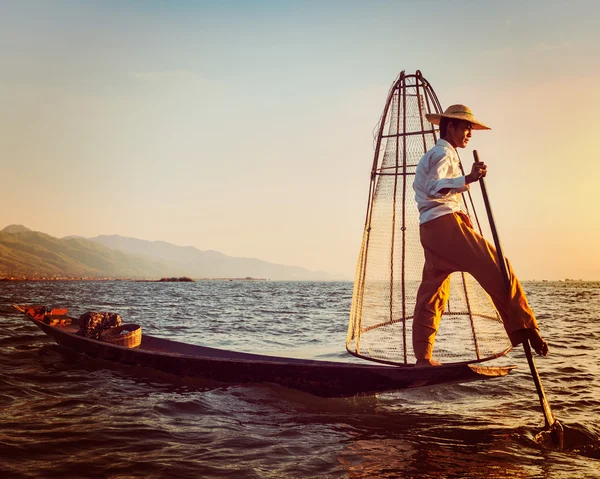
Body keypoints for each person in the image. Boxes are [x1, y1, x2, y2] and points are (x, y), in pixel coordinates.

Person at [412, 104, 549, 367]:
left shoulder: (436, 154)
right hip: (444, 227)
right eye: (466, 127)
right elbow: (432, 187)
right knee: (500, 267)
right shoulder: (443, 153)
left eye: (471, 128)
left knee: (433, 293)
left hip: (430, 230)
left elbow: (432, 191)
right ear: (450, 126)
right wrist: (469, 177)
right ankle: (525, 327)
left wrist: (460, 204)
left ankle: (423, 357)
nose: (470, 134)